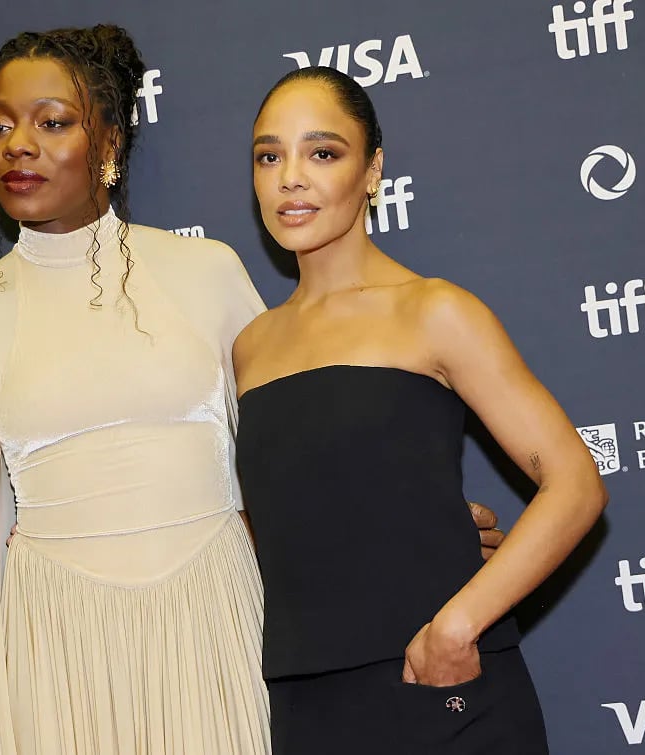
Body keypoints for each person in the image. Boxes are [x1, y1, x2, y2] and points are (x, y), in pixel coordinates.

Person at [0, 26, 507, 755]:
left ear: (109, 145)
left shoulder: (206, 272)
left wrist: (408, 532)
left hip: (221, 628)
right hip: (62, 655)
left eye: (53, 122)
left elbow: (295, 451)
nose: (19, 146)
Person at [233, 66, 608, 755]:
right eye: (268, 155)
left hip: (443, 689)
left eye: (322, 152)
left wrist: (458, 625)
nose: (290, 176)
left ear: (372, 170)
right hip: (307, 704)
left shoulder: (434, 311)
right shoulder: (251, 347)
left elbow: (576, 483)